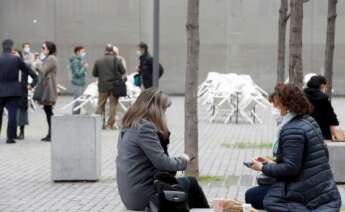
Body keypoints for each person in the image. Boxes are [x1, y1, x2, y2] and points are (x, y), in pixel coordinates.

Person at [245, 83, 341, 211]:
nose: (274, 109)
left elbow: (291, 168)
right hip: (322, 189)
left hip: (304, 193)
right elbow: (311, 158)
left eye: (276, 105)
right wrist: (272, 163)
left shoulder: (292, 129)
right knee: (256, 193)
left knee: (251, 196)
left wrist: (262, 167)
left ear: (286, 105)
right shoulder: (309, 121)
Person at [116, 88, 209, 211]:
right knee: (191, 183)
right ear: (156, 109)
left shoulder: (129, 126)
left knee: (184, 188)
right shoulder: (145, 128)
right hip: (143, 195)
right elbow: (162, 162)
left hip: (130, 193)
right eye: (164, 110)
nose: (165, 114)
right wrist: (183, 160)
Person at [0, 39, 37, 144]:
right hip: (14, 91)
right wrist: (32, 84)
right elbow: (31, 73)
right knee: (12, 115)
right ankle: (10, 138)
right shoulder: (16, 59)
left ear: (2, 47)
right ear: (12, 47)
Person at [92, 44, 126, 129]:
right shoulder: (117, 60)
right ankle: (109, 125)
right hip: (114, 86)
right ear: (112, 51)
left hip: (103, 86)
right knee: (112, 106)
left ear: (105, 51)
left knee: (100, 105)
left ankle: (96, 125)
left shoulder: (98, 61)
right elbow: (123, 71)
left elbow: (94, 74)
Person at [304, 75, 345, 141]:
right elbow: (331, 118)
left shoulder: (302, 95)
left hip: (303, 130)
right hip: (320, 132)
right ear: (322, 85)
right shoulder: (323, 98)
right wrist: (334, 133)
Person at [33, 41, 58, 142]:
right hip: (47, 84)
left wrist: (37, 63)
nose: (42, 50)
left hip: (49, 86)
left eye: (44, 48)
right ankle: (51, 133)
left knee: (48, 110)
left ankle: (52, 133)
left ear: (49, 49)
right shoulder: (49, 58)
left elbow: (43, 70)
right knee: (48, 109)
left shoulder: (51, 58)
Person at [12, 48, 38, 140]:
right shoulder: (9, 66)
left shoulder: (24, 66)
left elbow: (35, 76)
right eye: (12, 54)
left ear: (20, 56)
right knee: (13, 113)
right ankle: (12, 133)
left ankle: (22, 132)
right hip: (12, 92)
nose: (14, 56)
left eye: (16, 54)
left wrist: (31, 85)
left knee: (22, 112)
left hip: (22, 92)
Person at [69, 46, 88, 115]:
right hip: (77, 83)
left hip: (79, 83)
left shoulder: (79, 61)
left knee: (78, 100)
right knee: (77, 100)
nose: (84, 53)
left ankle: (76, 114)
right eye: (82, 52)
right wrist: (84, 68)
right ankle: (75, 115)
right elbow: (77, 74)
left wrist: (84, 69)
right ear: (77, 52)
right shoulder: (75, 62)